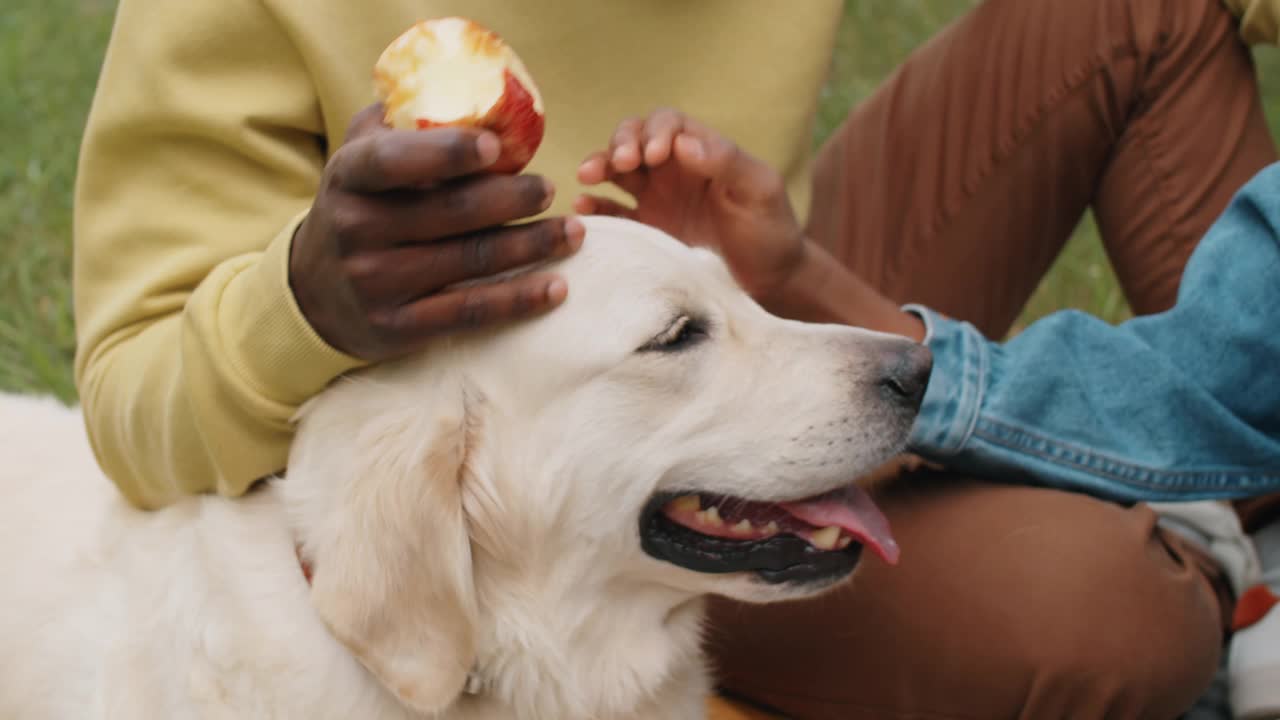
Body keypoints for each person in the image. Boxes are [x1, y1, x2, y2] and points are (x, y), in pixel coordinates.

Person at [71, 0, 1279, 717]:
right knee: (1118, 615)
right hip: (557, 521)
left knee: (1136, 14)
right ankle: (1188, 525)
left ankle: (1256, 521)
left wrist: (790, 277)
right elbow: (129, 409)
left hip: (737, 303)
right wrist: (308, 300)